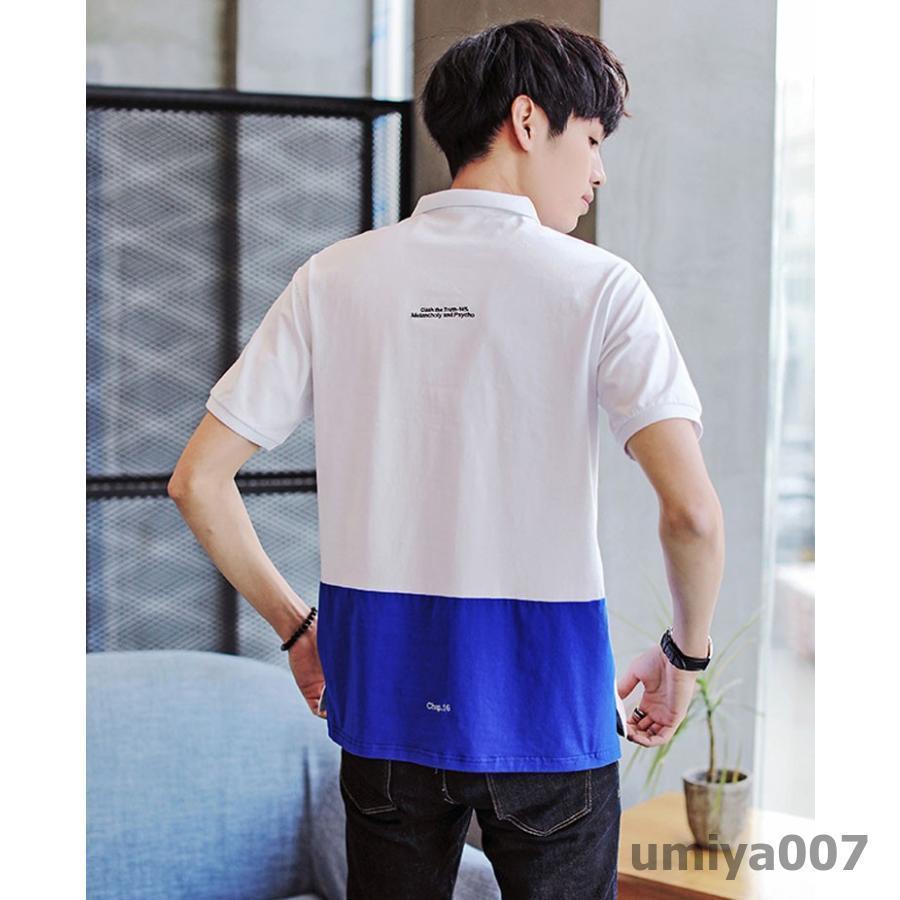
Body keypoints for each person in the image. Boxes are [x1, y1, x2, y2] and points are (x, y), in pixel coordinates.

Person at [168, 17, 724, 900]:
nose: (599, 172)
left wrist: (300, 630)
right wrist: (685, 656)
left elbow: (198, 480)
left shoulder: (332, 277)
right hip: (546, 706)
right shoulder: (601, 287)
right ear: (528, 120)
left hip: (384, 701)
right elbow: (691, 513)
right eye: (591, 140)